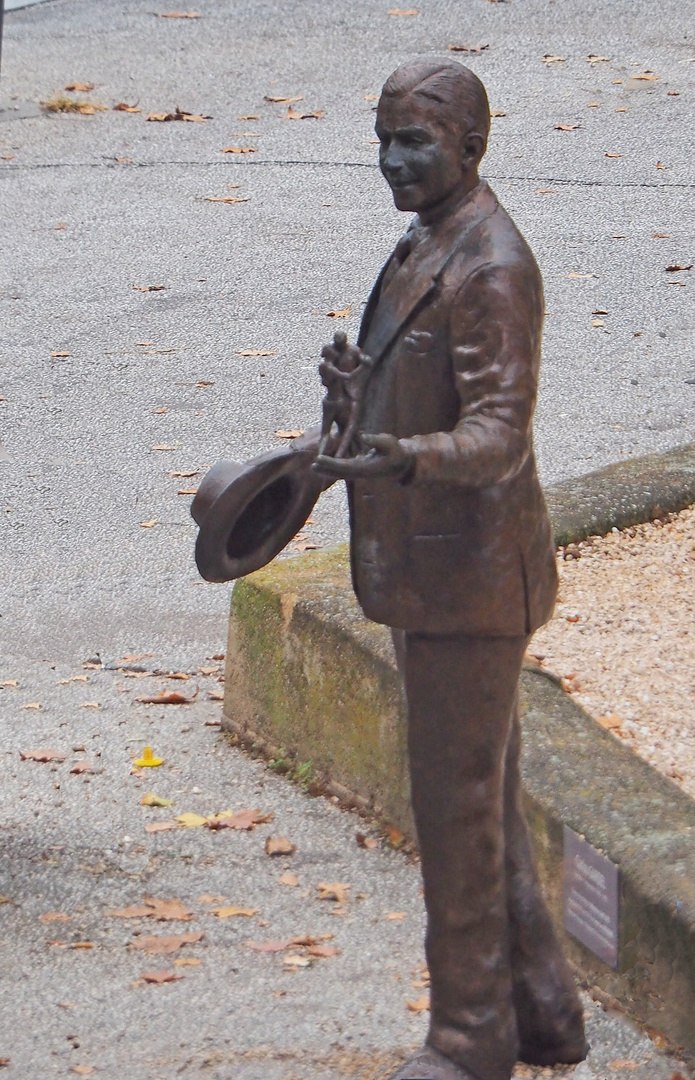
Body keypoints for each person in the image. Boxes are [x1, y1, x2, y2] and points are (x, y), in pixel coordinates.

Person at [312, 59, 588, 1080]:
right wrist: (361, 397)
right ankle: (542, 1014)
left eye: (413, 142)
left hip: (470, 583)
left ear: (468, 147)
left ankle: (469, 1040)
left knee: (454, 802)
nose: (390, 160)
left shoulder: (491, 265)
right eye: (381, 137)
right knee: (484, 794)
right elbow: (423, 390)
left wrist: (399, 454)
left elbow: (496, 440)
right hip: (429, 574)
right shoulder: (425, 240)